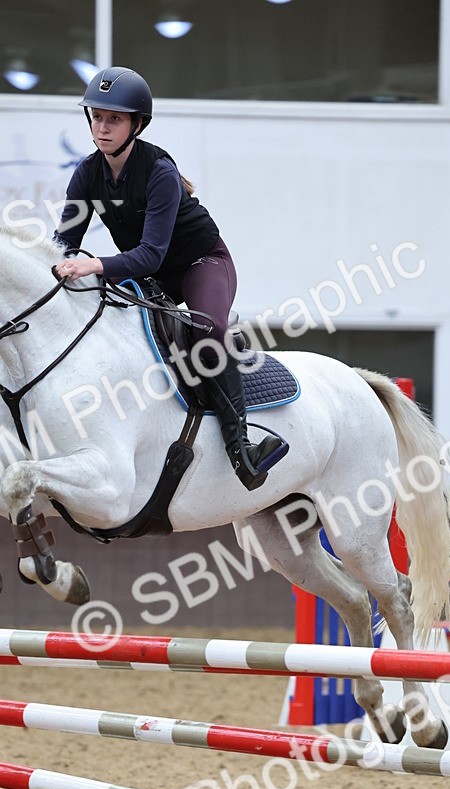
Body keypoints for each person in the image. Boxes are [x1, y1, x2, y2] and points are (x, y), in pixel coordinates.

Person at [54, 66, 288, 490]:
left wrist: (93, 264)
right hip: (151, 275)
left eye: (115, 119)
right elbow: (64, 242)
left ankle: (244, 449)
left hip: (200, 265)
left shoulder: (159, 172)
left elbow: (150, 255)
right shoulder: (87, 173)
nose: (102, 128)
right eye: (97, 117)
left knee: (206, 329)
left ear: (137, 124)